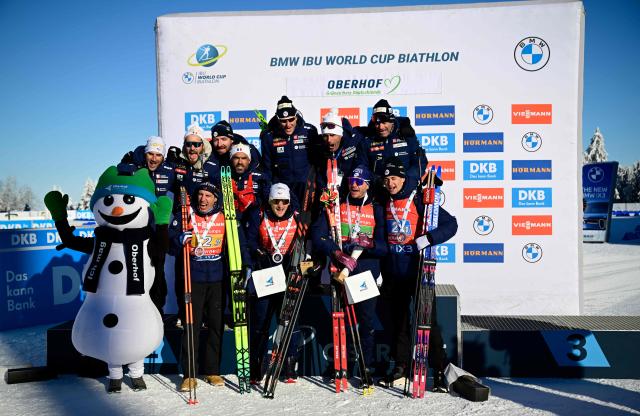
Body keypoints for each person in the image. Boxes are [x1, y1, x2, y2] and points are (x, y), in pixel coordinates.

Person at [379, 157, 457, 390]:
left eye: (394, 178)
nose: (390, 183)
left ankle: (439, 369)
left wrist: (429, 238)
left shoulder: (420, 200)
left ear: (403, 179)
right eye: (387, 179)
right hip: (393, 273)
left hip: (418, 271)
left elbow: (451, 224)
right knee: (399, 323)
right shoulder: (383, 200)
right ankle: (402, 367)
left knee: (427, 323)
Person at [311, 165, 387, 384]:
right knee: (340, 321)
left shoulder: (376, 208)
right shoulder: (335, 206)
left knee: (366, 322)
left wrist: (370, 244)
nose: (355, 184)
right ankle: (339, 365)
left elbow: (384, 247)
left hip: (365, 272)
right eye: (352, 180)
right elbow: (318, 235)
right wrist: (335, 252)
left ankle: (366, 367)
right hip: (339, 270)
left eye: (360, 182)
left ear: (368, 185)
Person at [169, 182, 249, 392]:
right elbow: (169, 243)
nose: (203, 199)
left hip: (217, 278)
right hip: (193, 277)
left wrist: (246, 265)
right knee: (191, 326)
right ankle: (189, 374)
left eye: (208, 196)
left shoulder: (226, 217)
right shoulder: (186, 214)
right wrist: (179, 239)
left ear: (216, 199)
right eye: (201, 195)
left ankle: (212, 370)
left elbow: (240, 244)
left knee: (215, 325)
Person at [245, 183, 302, 383]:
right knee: (261, 323)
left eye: (284, 201)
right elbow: (249, 240)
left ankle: (289, 367)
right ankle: (256, 367)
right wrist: (257, 254)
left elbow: (306, 242)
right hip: (266, 274)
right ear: (269, 201)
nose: (280, 205)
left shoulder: (296, 216)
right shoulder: (259, 215)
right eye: (276, 201)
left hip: (288, 275)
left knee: (288, 322)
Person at [119, 136, 175, 313]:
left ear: (163, 157)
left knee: (158, 269)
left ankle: (157, 311)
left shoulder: (169, 170)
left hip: (157, 229)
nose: (153, 158)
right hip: (136, 229)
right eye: (150, 154)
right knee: (135, 269)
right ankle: (134, 312)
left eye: (158, 155)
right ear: (145, 153)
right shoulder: (134, 166)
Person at [259, 95, 321, 203]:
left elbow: (318, 162)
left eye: (291, 119)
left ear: (296, 117)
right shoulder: (268, 136)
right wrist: (267, 189)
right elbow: (267, 168)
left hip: (306, 186)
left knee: (305, 219)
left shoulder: (309, 131)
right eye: (283, 121)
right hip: (282, 188)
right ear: (277, 120)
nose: (288, 125)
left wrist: (317, 183)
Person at [361, 99, 426, 199]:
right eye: (377, 123)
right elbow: (362, 167)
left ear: (391, 120)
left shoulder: (405, 133)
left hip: (406, 192)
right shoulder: (367, 139)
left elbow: (419, 162)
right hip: (379, 194)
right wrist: (378, 181)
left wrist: (406, 182)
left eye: (384, 122)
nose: (381, 127)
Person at [316, 110, 368, 196]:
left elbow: (375, 129)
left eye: (332, 135)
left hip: (351, 191)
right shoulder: (320, 146)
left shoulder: (354, 138)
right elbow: (320, 174)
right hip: (331, 194)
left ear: (341, 134)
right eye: (325, 136)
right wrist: (323, 189)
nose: (329, 140)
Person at [228, 142, 270, 225]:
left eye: (244, 158)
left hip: (254, 218)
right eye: (236, 158)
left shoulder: (260, 177)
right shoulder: (225, 176)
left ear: (249, 160)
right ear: (231, 159)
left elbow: (267, 199)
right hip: (233, 219)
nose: (240, 162)